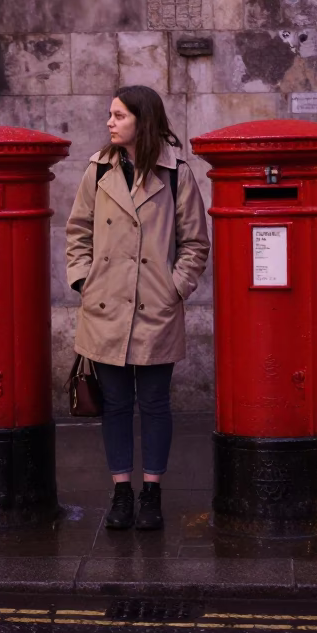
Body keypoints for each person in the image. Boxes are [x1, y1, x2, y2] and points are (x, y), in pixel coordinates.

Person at [65, 85, 210, 531]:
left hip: (155, 306)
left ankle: (152, 493)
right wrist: (83, 279)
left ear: (141, 122)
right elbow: (78, 231)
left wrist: (175, 288)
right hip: (105, 305)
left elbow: (194, 243)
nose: (110, 122)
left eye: (118, 116)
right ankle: (121, 492)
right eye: (110, 115)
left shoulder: (175, 175)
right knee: (114, 405)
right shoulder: (96, 170)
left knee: (154, 404)